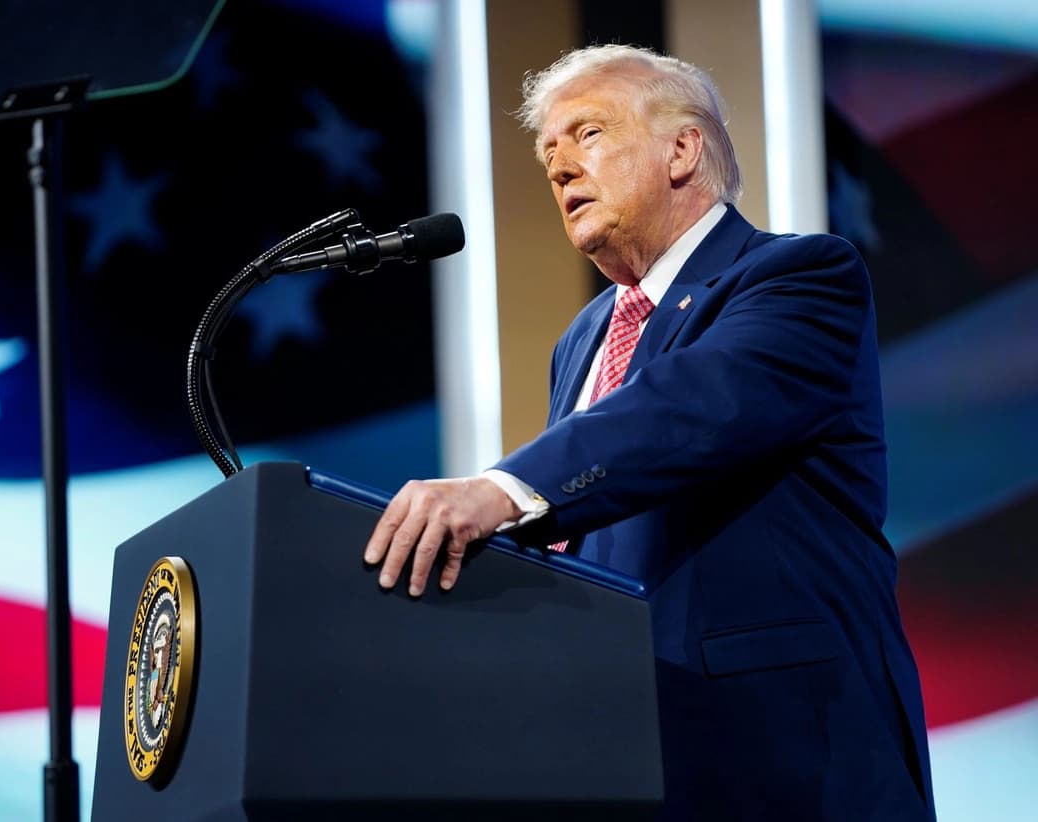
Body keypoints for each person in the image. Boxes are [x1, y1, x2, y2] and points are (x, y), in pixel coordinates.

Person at [363, 44, 935, 820]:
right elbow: (585, 535)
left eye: (587, 134)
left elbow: (694, 406)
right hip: (628, 758)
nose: (560, 167)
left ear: (681, 148)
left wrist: (498, 490)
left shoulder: (799, 276)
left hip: (789, 753)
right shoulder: (585, 338)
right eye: (548, 153)